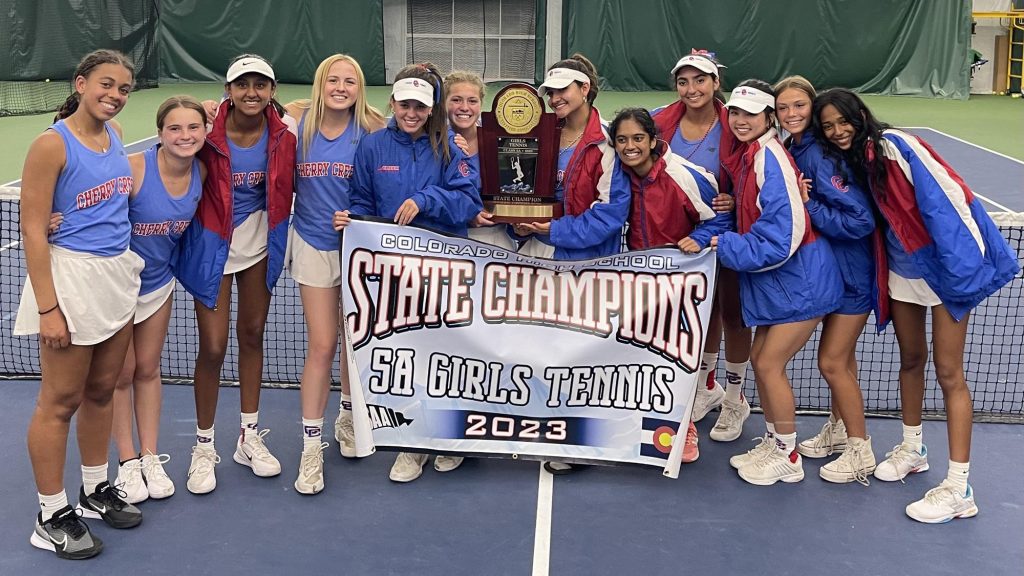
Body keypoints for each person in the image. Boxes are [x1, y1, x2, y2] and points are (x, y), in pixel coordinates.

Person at [813, 88, 1019, 522]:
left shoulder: (897, 146)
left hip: (943, 271)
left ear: (859, 116)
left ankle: (959, 485)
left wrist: (962, 271)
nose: (836, 131)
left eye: (841, 121)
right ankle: (912, 447)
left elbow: (952, 198)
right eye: (827, 126)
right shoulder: (855, 161)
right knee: (910, 359)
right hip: (902, 273)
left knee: (949, 373)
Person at [15, 49, 143, 559]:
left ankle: (93, 489)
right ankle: (50, 513)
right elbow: (31, 227)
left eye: (124, 89)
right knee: (59, 401)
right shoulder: (52, 144)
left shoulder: (113, 136)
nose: (114, 95)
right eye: (106, 84)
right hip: (71, 282)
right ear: (81, 82)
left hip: (116, 277)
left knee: (102, 390)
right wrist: (49, 308)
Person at [348, 62, 481, 482]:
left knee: (450, 356)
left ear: (431, 109)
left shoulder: (449, 148)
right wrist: (351, 222)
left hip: (444, 268)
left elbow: (467, 202)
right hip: (393, 273)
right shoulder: (371, 147)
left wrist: (426, 199)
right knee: (406, 357)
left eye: (420, 107)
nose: (412, 113)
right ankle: (413, 444)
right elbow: (362, 203)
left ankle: (449, 438)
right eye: (405, 104)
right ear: (393, 103)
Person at [174, 54, 297, 494]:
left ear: (271, 90)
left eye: (259, 85)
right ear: (227, 90)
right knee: (212, 346)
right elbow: (164, 164)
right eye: (241, 84)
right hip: (211, 245)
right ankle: (203, 446)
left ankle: (248, 436)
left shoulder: (284, 134)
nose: (251, 92)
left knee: (253, 333)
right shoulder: (204, 132)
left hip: (261, 242)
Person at [712, 80, 843, 486]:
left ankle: (788, 454)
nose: (740, 120)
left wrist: (726, 245)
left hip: (802, 282)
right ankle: (774, 439)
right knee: (759, 360)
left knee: (769, 364)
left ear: (768, 117)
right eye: (735, 112)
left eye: (750, 114)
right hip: (779, 285)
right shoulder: (753, 155)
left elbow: (783, 236)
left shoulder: (771, 157)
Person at [515, 54, 631, 473]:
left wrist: (553, 231)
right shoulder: (536, 133)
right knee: (539, 346)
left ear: (585, 89)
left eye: (564, 89)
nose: (555, 97)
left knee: (582, 355)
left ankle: (579, 441)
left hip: (585, 263)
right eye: (551, 91)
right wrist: (519, 225)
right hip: (537, 255)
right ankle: (544, 423)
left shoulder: (608, 144)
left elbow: (608, 215)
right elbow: (519, 192)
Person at [283, 54, 386, 494]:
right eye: (333, 80)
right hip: (311, 244)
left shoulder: (374, 128)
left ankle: (346, 417)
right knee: (323, 342)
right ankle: (310, 449)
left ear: (359, 87)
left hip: (359, 247)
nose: (341, 87)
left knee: (353, 340)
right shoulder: (296, 125)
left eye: (350, 81)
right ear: (320, 84)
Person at [611, 106, 731, 463]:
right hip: (639, 276)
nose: (629, 146)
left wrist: (699, 237)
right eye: (621, 140)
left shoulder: (683, 174)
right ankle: (637, 420)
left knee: (678, 357)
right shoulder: (619, 173)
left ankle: (683, 428)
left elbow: (722, 217)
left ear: (652, 140)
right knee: (639, 351)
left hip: (683, 279)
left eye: (637, 138)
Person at [774, 76, 878, 485]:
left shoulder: (818, 155)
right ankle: (838, 429)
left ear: (811, 108)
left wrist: (808, 203)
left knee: (831, 362)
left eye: (799, 106)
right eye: (784, 108)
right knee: (844, 360)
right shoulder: (791, 148)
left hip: (854, 275)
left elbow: (860, 219)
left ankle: (860, 449)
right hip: (830, 273)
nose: (792, 114)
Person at [110, 97, 208, 504]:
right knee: (121, 373)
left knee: (148, 369)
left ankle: (151, 456)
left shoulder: (203, 171)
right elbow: (88, 198)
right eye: (174, 128)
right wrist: (52, 216)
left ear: (204, 132)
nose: (184, 136)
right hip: (114, 288)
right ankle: (127, 462)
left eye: (193, 128)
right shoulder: (133, 169)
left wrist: (216, 106)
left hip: (157, 285)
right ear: (159, 133)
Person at [651, 51, 752, 446]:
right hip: (676, 234)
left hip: (727, 231)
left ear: (715, 83)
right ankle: (707, 385)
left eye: (700, 81)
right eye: (684, 81)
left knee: (733, 311)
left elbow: (755, 165)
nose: (691, 89)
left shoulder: (734, 123)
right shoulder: (660, 120)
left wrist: (735, 196)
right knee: (700, 311)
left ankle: (735, 396)